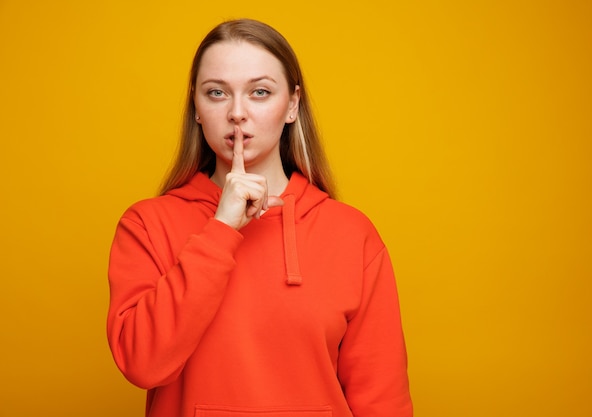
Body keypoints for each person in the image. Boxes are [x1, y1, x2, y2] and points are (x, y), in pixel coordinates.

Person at [107, 18, 413, 417]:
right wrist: (220, 229)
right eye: (216, 93)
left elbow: (382, 401)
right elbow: (141, 363)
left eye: (260, 92)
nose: (237, 113)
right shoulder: (146, 225)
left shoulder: (352, 235)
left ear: (292, 105)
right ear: (196, 109)